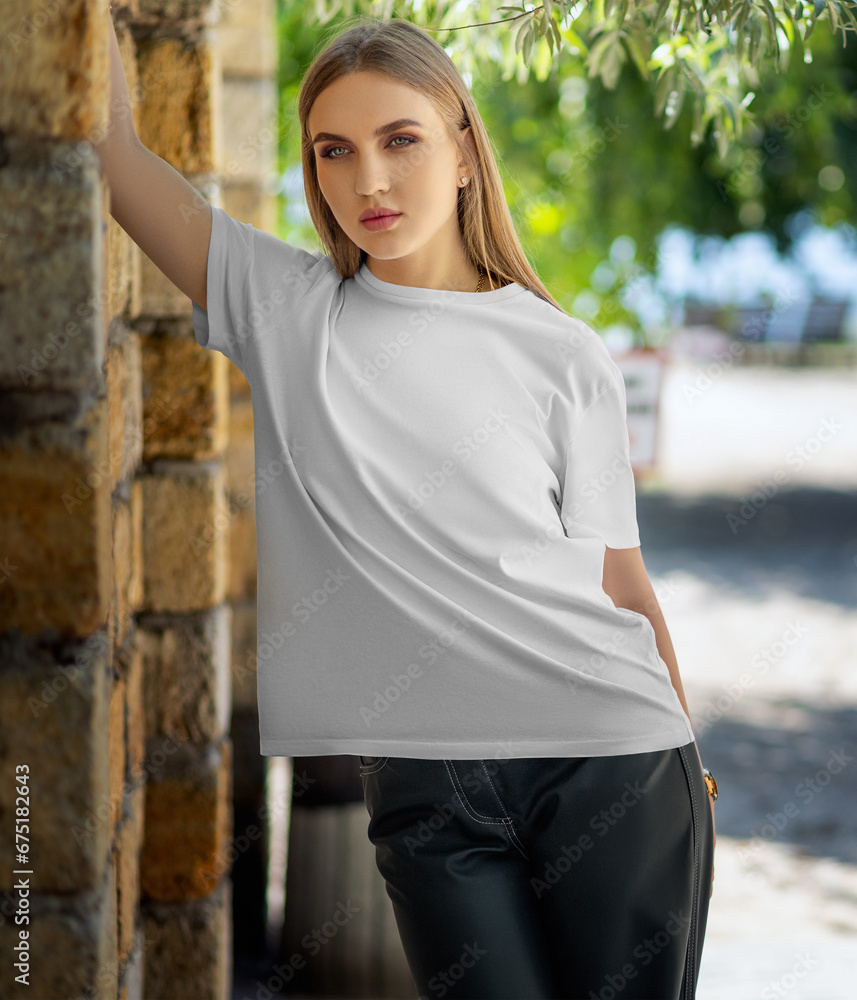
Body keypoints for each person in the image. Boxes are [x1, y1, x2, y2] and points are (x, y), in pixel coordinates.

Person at [96, 10, 717, 998]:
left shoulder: (562, 353)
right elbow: (118, 157)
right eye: (333, 151)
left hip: (611, 761)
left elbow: (619, 579)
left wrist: (692, 763)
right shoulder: (288, 312)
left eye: (400, 140)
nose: (367, 181)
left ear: (465, 151)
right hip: (424, 785)